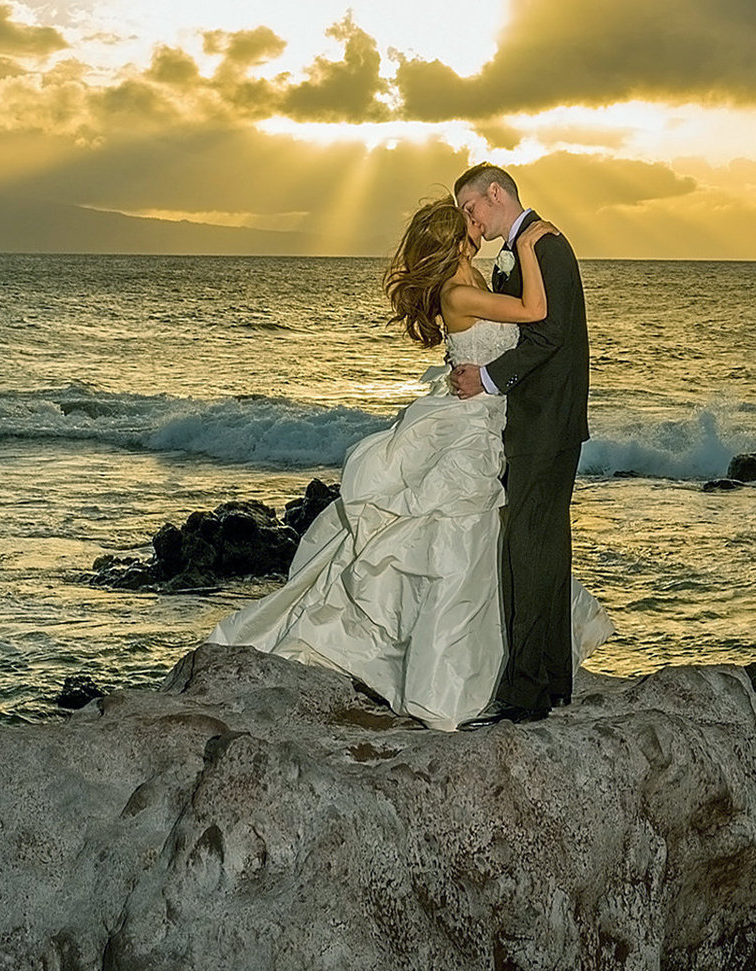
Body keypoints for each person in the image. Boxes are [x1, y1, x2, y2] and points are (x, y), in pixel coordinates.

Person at [205, 196, 612, 731]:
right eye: (468, 218)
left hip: (486, 421)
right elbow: (537, 314)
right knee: (458, 537)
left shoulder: (476, 280)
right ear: (455, 237)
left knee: (482, 537)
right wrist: (532, 247)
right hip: (468, 428)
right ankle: (446, 672)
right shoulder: (460, 290)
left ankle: (500, 666)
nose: (477, 220)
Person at [449, 163, 590, 727]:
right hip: (548, 422)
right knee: (546, 546)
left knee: (525, 551)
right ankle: (553, 680)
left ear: (496, 194)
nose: (470, 219)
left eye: (471, 208)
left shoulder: (546, 247)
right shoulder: (522, 251)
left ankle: (525, 694)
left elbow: (548, 336)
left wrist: (485, 378)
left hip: (543, 423)